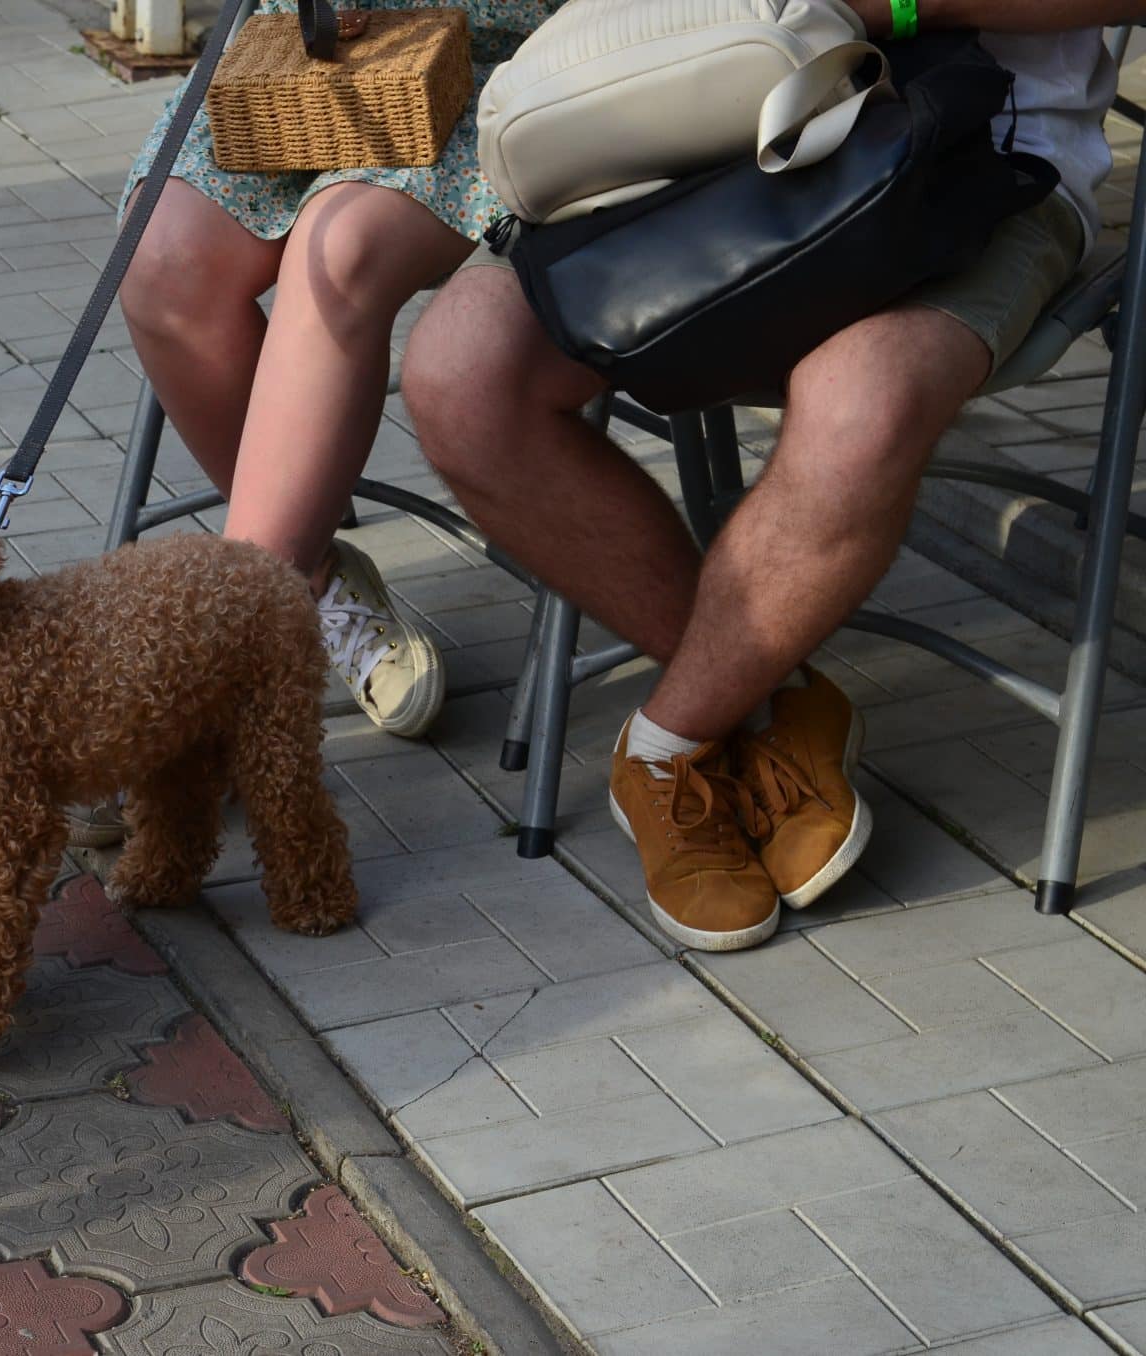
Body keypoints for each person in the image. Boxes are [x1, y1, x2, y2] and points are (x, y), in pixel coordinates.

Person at [400, 1, 1132, 951]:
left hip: (986, 152)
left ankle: (664, 749)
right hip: (715, 122)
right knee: (461, 377)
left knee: (857, 401)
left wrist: (900, 3)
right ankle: (763, 710)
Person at [119, 0, 571, 739]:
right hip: (306, 46)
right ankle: (309, 577)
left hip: (510, 56)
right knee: (162, 259)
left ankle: (215, 675)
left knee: (336, 256)